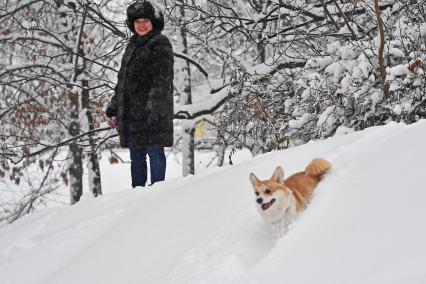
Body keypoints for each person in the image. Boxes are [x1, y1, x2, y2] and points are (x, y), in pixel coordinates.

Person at [106, 0, 174, 188]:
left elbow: (162, 79)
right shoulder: (132, 45)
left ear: (153, 22)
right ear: (132, 24)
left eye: (145, 20)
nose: (141, 25)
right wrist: (114, 109)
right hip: (132, 115)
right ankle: (137, 198)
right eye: (137, 22)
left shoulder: (160, 43)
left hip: (153, 112)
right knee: (136, 158)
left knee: (154, 152)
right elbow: (123, 81)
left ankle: (159, 194)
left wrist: (153, 108)